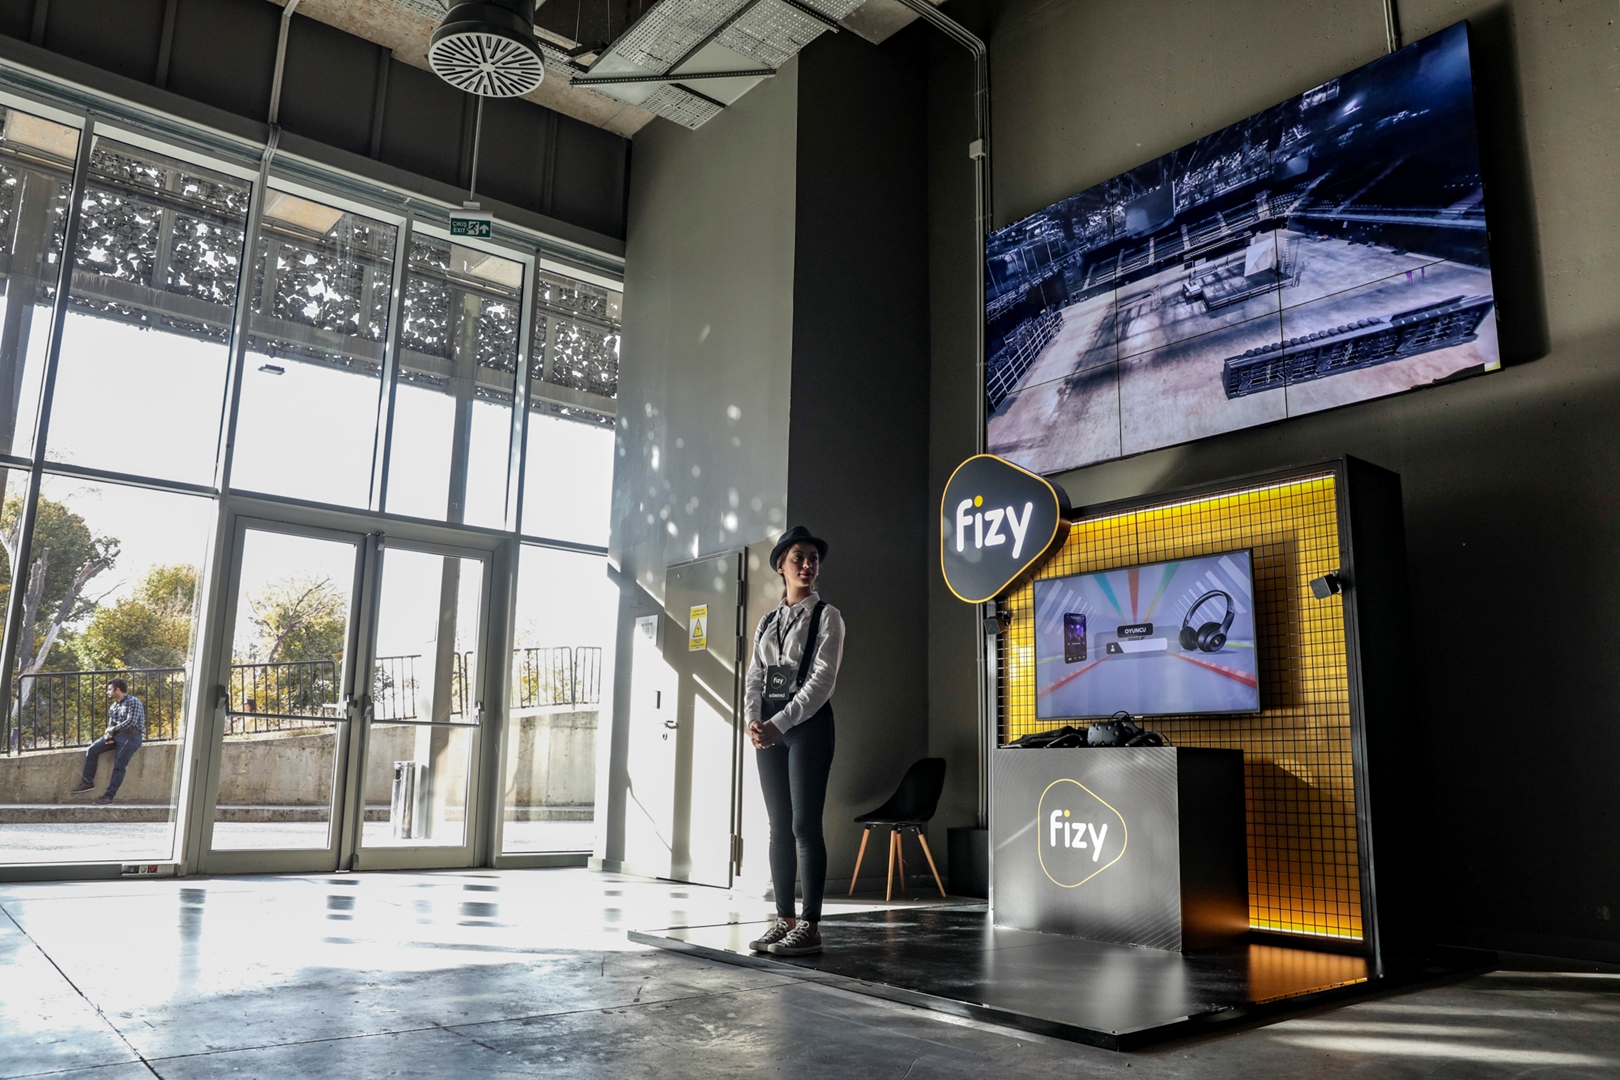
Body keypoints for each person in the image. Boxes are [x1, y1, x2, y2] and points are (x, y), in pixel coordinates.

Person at [744, 525, 845, 957]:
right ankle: (783, 919)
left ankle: (811, 925)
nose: (807, 565)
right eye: (798, 557)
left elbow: (822, 681)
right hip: (770, 726)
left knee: (805, 825)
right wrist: (753, 719)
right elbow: (755, 675)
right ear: (781, 566)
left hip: (807, 727)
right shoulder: (768, 621)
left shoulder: (828, 616)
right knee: (778, 827)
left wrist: (779, 723)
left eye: (813, 558)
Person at [70, 678, 146, 804]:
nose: (107, 692)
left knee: (119, 766)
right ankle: (87, 782)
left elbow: (131, 722)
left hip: (131, 736)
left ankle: (108, 797)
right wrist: (108, 735)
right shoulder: (114, 706)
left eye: (110, 689)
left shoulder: (133, 702)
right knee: (92, 750)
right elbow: (111, 725)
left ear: (118, 689)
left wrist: (113, 729)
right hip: (116, 736)